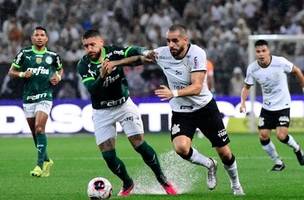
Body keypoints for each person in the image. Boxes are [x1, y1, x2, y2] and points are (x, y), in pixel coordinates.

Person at [103, 24, 245, 196]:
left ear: (186, 40)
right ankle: (209, 164)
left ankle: (236, 184)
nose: (171, 45)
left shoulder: (197, 54)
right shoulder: (162, 53)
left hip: (205, 108)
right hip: (182, 111)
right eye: (168, 41)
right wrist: (116, 63)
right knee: (181, 148)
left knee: (225, 153)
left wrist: (173, 93)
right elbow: (139, 58)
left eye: (175, 41)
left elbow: (197, 87)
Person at [76, 29, 177, 196]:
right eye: (85, 46)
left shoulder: (114, 52)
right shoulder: (83, 65)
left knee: (139, 145)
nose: (89, 49)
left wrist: (144, 51)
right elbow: (93, 90)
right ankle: (128, 183)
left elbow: (132, 50)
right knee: (108, 157)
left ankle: (163, 180)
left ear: (101, 42)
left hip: (124, 106)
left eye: (92, 44)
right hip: (102, 111)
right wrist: (101, 76)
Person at [240, 39, 304, 171]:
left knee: (281, 136)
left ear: (268, 51)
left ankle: (297, 148)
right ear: (255, 53)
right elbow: (246, 87)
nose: (261, 54)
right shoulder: (252, 68)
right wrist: (242, 103)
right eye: (258, 51)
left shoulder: (280, 62)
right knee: (263, 135)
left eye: (263, 51)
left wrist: (303, 86)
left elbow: (296, 71)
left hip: (283, 105)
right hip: (267, 106)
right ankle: (278, 162)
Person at [8, 26, 63, 177]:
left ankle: (39, 166)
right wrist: (22, 73)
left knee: (39, 128)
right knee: (35, 133)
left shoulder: (53, 55)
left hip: (45, 96)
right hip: (28, 98)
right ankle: (46, 160)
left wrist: (57, 77)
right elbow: (11, 71)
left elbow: (60, 69)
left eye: (42, 35)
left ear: (46, 39)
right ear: (32, 38)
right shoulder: (24, 54)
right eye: (36, 35)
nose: (39, 37)